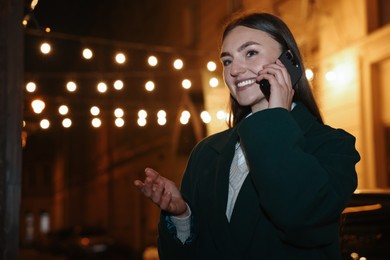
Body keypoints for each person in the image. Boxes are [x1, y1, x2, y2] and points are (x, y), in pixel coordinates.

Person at [134, 12, 360, 260]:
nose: (235, 70)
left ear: (288, 61)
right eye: (227, 61)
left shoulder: (333, 145)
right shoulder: (205, 152)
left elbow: (300, 220)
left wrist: (276, 119)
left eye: (250, 53)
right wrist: (181, 216)